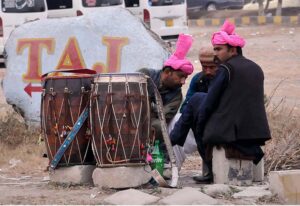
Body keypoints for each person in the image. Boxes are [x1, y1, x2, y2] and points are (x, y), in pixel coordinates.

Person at [170, 20, 271, 183]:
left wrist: (201, 128)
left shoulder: (226, 69)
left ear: (232, 50)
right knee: (197, 101)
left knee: (197, 101)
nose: (215, 53)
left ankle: (172, 145)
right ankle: (173, 140)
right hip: (256, 132)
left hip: (232, 133)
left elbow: (209, 103)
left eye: (218, 49)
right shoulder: (255, 67)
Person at [138, 33, 194, 163]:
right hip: (131, 117)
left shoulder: (176, 95)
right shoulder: (145, 74)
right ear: (168, 72)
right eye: (181, 77)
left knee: (158, 126)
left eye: (185, 78)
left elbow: (163, 117)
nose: (183, 82)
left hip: (151, 123)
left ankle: (162, 160)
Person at [168, 46, 217, 171]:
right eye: (204, 67)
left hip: (218, 121)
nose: (208, 71)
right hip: (198, 120)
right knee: (175, 122)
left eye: (212, 67)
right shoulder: (198, 79)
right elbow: (186, 106)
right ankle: (173, 168)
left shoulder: (224, 78)